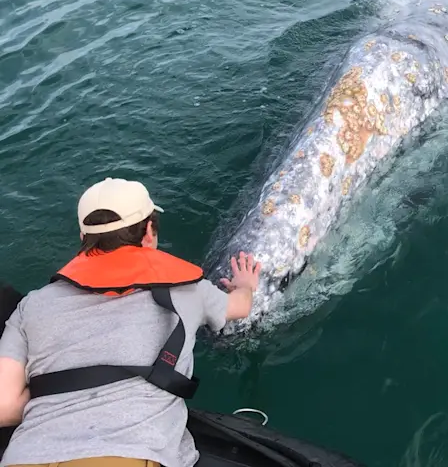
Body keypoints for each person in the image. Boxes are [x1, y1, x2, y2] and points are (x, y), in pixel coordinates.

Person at [0, 177, 263, 467]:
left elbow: (4, 406)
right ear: (149, 231)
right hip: (127, 456)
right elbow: (240, 307)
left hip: (25, 457)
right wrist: (246, 285)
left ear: (83, 237)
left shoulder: (32, 305)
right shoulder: (187, 290)